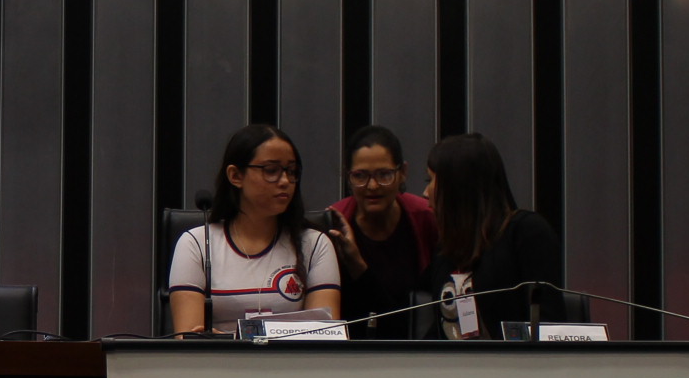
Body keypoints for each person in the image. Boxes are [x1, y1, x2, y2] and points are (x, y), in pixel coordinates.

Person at [167, 124, 344, 335]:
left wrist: (233, 341)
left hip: (291, 358)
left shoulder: (315, 245)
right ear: (235, 176)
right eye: (271, 171)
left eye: (291, 171)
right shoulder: (197, 243)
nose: (285, 181)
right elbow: (188, 339)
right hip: (218, 358)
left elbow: (323, 336)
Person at [417, 131, 562, 339]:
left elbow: (548, 327)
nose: (425, 192)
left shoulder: (526, 233)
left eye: (430, 180)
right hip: (454, 361)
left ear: (457, 186)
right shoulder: (448, 249)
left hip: (514, 360)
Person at [327, 124, 439, 338]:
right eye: (360, 176)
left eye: (384, 174)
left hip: (416, 345)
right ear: (348, 176)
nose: (373, 186)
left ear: (403, 173)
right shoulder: (334, 226)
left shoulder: (426, 218)